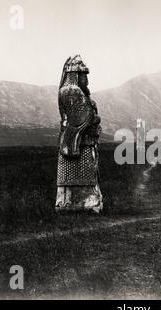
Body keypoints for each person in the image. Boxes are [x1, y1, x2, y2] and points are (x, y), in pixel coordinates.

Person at [55, 55, 103, 213]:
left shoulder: (70, 91)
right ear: (76, 75)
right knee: (84, 172)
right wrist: (95, 117)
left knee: (84, 173)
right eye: (84, 76)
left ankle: (71, 202)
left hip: (82, 140)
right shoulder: (71, 91)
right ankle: (83, 203)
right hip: (79, 141)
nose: (87, 81)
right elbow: (83, 117)